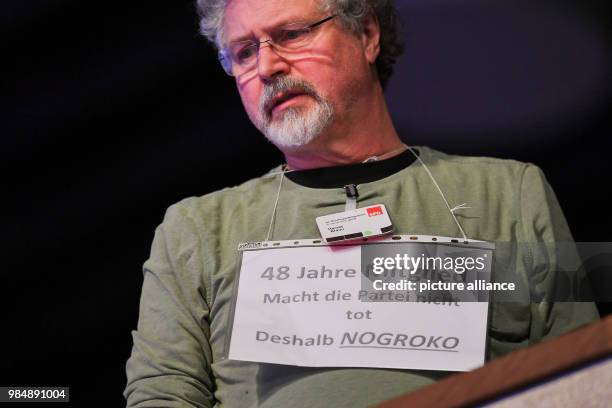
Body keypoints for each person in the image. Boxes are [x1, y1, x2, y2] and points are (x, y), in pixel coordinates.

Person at [124, 0, 599, 406]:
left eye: (289, 35)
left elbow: (583, 376)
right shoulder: (197, 229)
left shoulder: (509, 193)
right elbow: (163, 395)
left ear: (367, 34)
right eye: (244, 52)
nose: (267, 67)